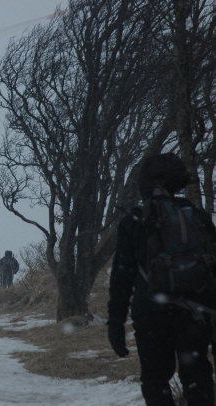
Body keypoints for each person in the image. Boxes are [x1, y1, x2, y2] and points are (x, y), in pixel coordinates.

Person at [107, 153, 216, 406]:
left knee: (155, 377)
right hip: (194, 312)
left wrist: (116, 324)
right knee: (197, 373)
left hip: (150, 312)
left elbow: (121, 278)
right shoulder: (197, 216)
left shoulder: (134, 220)